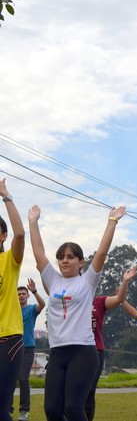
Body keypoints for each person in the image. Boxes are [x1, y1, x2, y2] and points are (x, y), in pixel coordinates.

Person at [28, 204, 125, 421]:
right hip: (58, 353)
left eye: (70, 257)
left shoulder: (87, 281)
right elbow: (38, 253)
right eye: (61, 257)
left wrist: (112, 221)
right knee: (52, 410)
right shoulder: (53, 280)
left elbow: (102, 252)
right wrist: (33, 223)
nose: (64, 260)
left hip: (83, 352)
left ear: (80, 261)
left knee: (73, 409)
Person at [86, 266, 137, 421]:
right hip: (74, 350)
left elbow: (119, 299)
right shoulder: (69, 301)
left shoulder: (99, 301)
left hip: (95, 351)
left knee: (89, 393)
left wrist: (125, 281)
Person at [0, 180, 25, 421]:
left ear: (3, 235)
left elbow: (20, 233)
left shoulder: (9, 260)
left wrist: (6, 196)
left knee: (1, 407)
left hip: (8, 341)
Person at [12, 279, 45, 421]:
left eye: (23, 293)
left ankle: (24, 411)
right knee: (10, 380)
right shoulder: (11, 311)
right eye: (18, 294)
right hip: (12, 348)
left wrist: (35, 291)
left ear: (27, 296)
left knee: (23, 378)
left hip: (27, 348)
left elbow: (42, 305)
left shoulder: (31, 310)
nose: (21, 296)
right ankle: (7, 409)